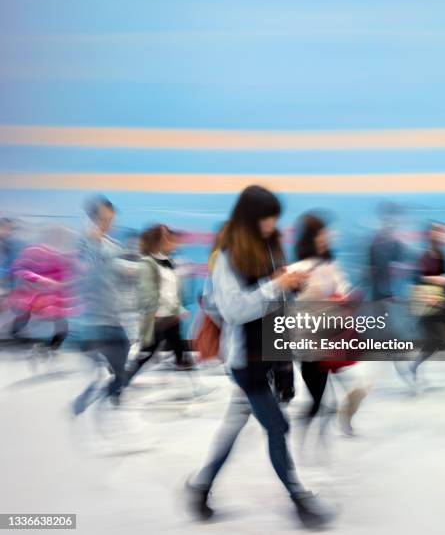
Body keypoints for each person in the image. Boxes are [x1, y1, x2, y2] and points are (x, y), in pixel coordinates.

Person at [186, 185, 332, 529]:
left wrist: (289, 286)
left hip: (271, 353)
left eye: (274, 219)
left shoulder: (269, 246)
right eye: (267, 219)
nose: (272, 226)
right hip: (245, 360)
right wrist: (275, 286)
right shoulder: (227, 255)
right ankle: (299, 499)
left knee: (235, 424)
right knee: (277, 427)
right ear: (250, 218)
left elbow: (272, 300)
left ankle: (200, 486)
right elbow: (235, 310)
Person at [292, 213, 367, 436]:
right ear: (311, 237)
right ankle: (296, 439)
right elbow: (302, 305)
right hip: (311, 343)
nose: (327, 237)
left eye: (326, 233)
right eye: (322, 233)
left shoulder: (330, 265)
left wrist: (347, 297)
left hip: (333, 339)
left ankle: (342, 421)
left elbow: (343, 288)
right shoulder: (299, 268)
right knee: (317, 402)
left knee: (358, 387)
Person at [72, 195, 138, 415]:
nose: (108, 224)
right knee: (117, 357)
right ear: (92, 218)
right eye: (103, 219)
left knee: (123, 353)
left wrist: (129, 272)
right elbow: (83, 271)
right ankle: (110, 389)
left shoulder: (112, 246)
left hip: (111, 315)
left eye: (111, 219)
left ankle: (112, 388)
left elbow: (119, 273)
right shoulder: (84, 243)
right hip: (93, 318)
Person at [125, 224, 191, 384]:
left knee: (180, 352)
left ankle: (195, 384)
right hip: (157, 317)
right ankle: (121, 381)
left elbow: (172, 289)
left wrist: (178, 306)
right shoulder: (147, 263)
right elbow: (149, 292)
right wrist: (173, 308)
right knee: (147, 354)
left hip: (170, 317)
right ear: (157, 240)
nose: (169, 240)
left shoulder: (168, 261)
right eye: (165, 237)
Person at [8, 225, 79, 354]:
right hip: (36, 293)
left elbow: (69, 274)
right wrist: (40, 280)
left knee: (61, 325)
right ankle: (19, 336)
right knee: (27, 314)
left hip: (53, 296)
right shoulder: (36, 251)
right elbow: (19, 269)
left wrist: (67, 283)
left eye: (62, 237)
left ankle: (51, 348)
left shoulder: (66, 255)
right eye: (58, 236)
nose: (60, 239)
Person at [409, 222, 445, 382]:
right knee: (437, 340)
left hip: (443, 302)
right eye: (438, 232)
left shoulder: (444, 254)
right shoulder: (425, 255)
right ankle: (415, 365)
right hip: (430, 303)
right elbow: (417, 278)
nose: (442, 235)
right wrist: (439, 280)